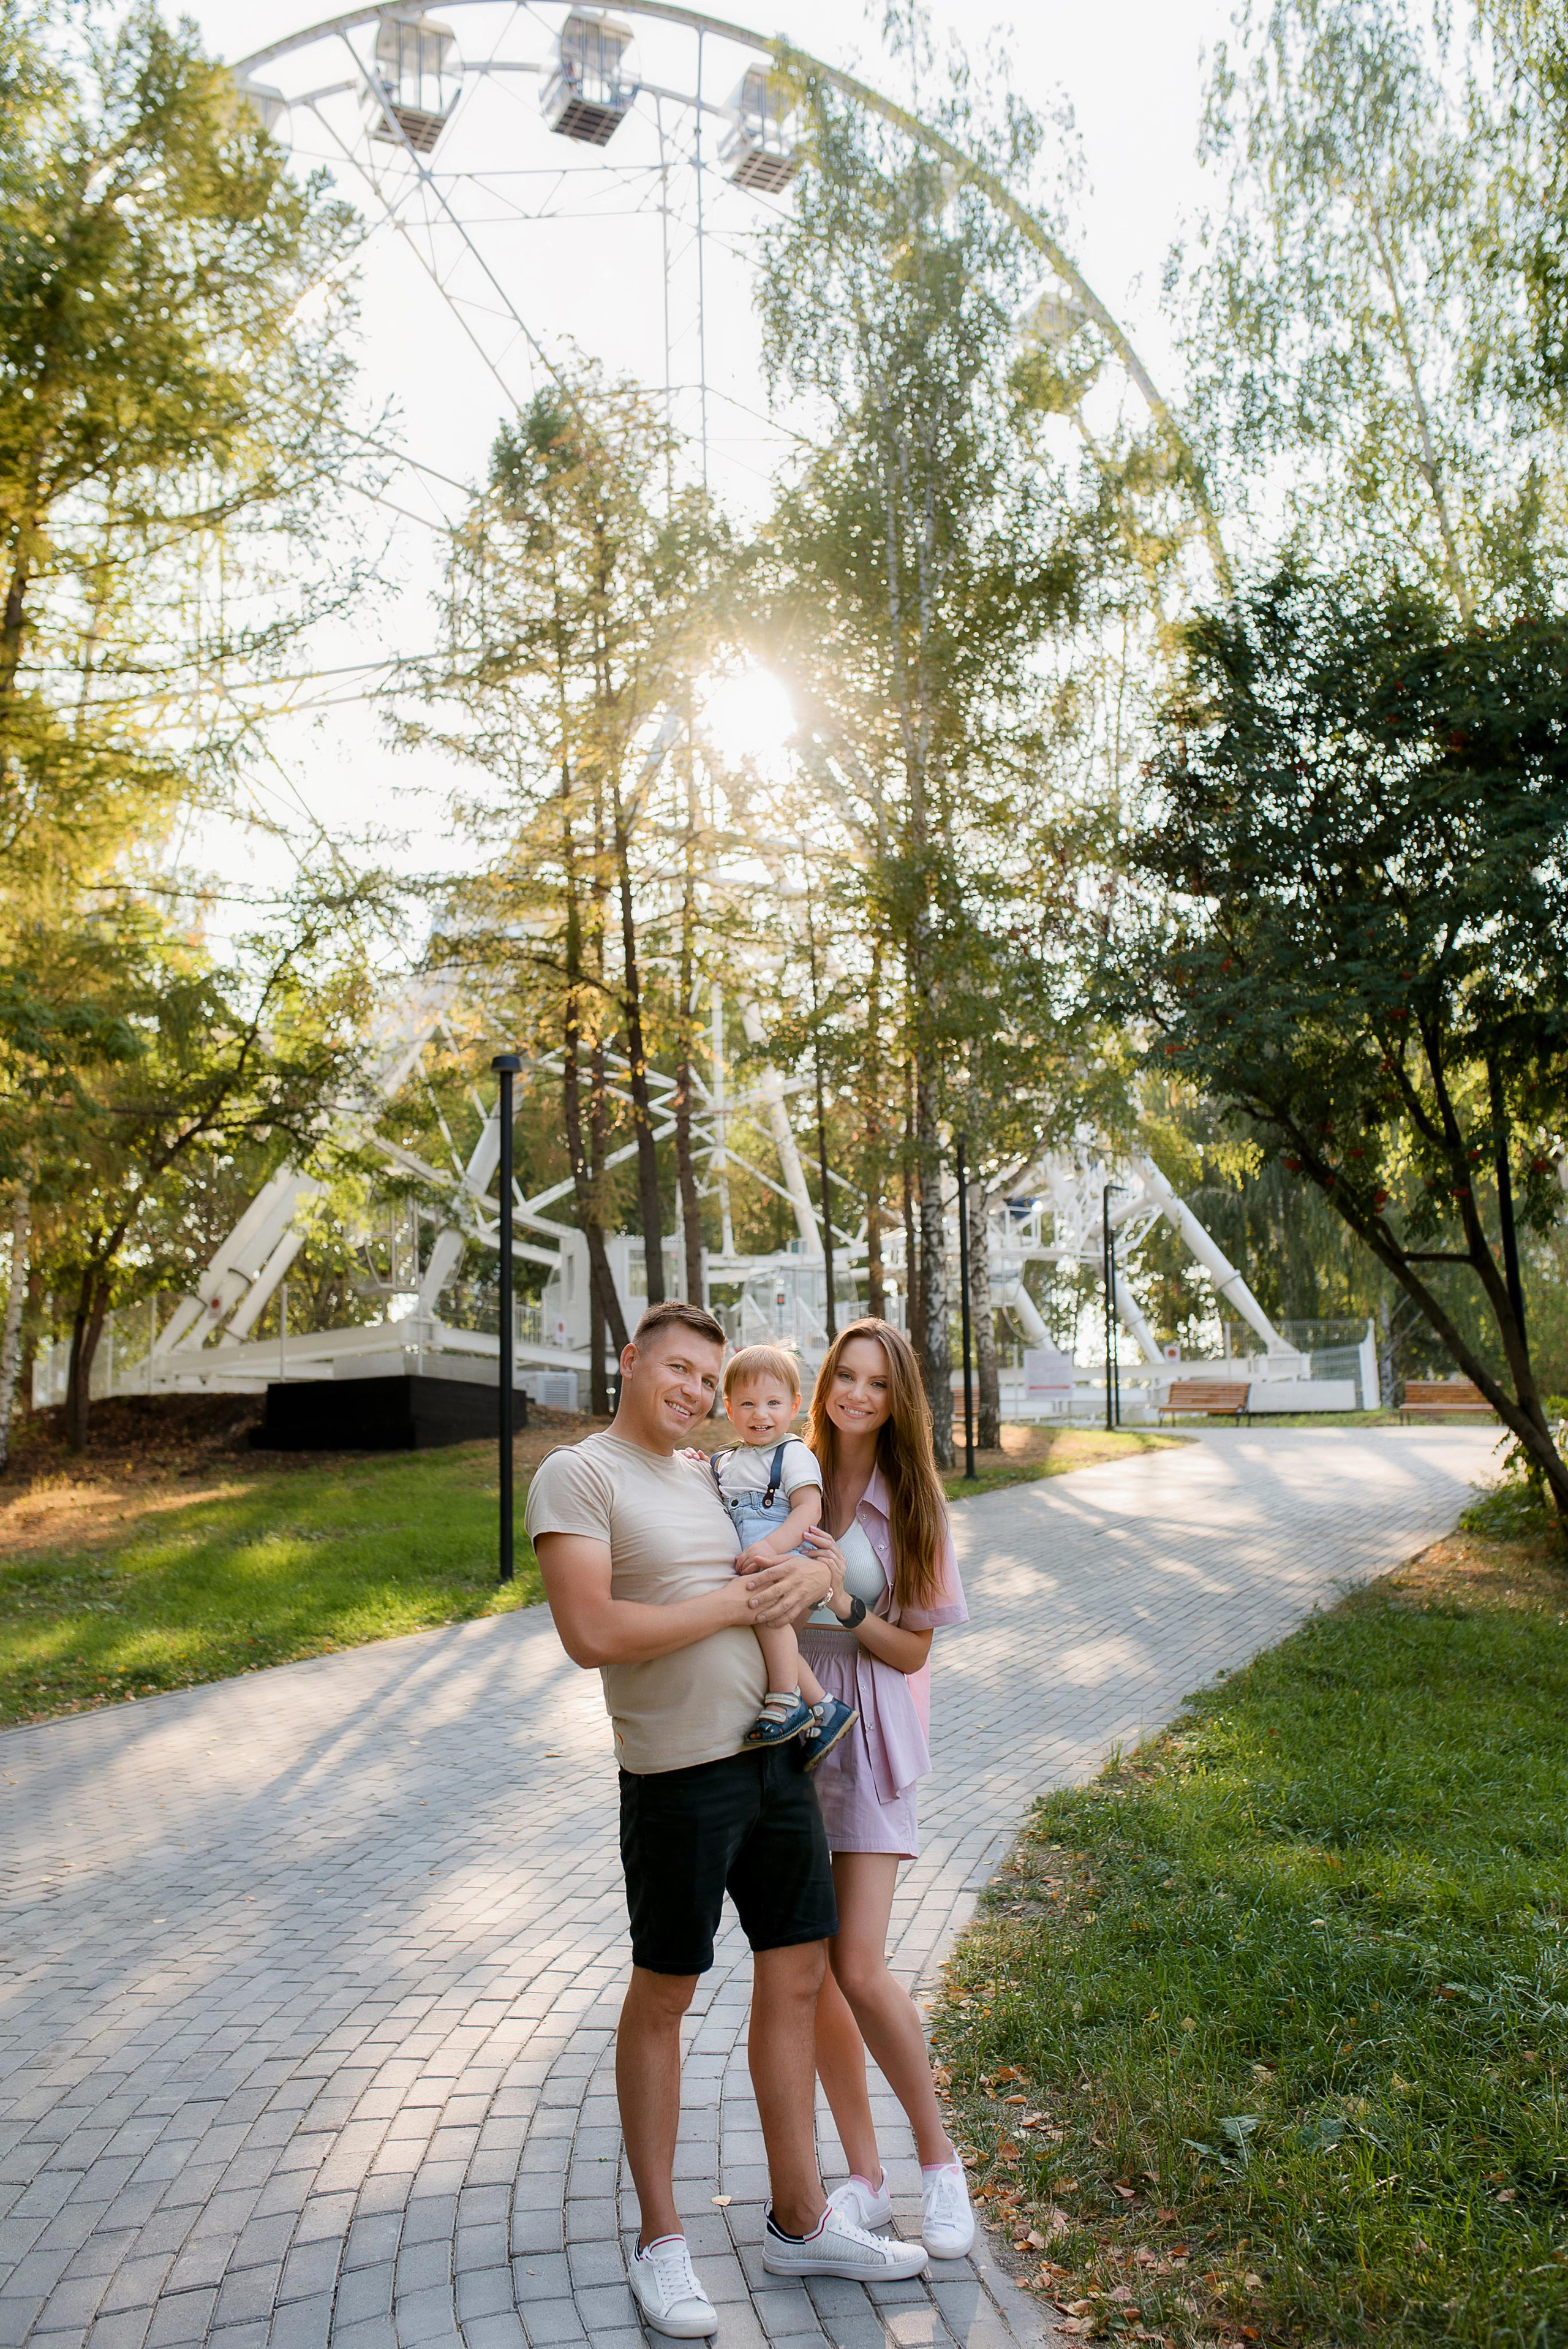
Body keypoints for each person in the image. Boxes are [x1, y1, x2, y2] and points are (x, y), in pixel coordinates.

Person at [524, 1301, 930, 2340]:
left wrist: (814, 1573)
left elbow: (795, 1550)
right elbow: (590, 1629)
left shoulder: (711, 1472)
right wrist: (738, 1603)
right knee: (666, 1988)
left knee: (798, 1973)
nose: (698, 1393)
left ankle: (801, 2221)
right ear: (630, 1361)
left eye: (710, 1379)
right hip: (677, 1775)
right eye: (680, 1370)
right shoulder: (582, 1474)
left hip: (779, 1760)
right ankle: (662, 2238)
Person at [796, 1318, 978, 2261]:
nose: (857, 1394)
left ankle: (941, 2165)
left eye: (875, 1382)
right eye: (845, 1375)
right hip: (792, 1725)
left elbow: (912, 1648)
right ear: (826, 1380)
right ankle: (863, 2178)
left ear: (896, 1397)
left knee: (859, 1964)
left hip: (868, 1728)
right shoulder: (790, 1474)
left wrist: (842, 1603)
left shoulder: (914, 1506)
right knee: (816, 1971)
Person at [708, 1342, 858, 1761]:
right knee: (777, 1642)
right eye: (749, 1404)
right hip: (757, 1564)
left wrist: (770, 1547)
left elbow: (810, 1509)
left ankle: (785, 1700)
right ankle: (826, 1708)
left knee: (766, 1610)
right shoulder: (725, 1461)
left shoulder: (792, 1454)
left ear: (793, 1406)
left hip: (788, 1559)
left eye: (773, 1403)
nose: (761, 1414)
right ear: (729, 1408)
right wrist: (693, 1462)